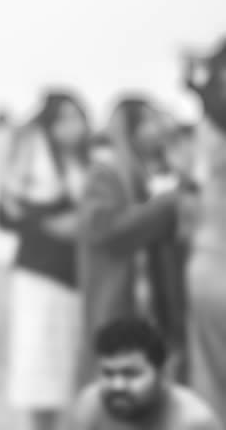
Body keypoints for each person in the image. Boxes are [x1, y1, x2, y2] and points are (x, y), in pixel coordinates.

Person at [0, 91, 91, 430]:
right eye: (64, 118)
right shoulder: (34, 160)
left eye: (77, 116)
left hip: (76, 279)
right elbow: (6, 215)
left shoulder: (85, 162)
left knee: (71, 374)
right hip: (39, 278)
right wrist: (50, 224)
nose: (73, 126)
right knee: (39, 374)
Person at [77, 96, 183, 384]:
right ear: (129, 129)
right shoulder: (106, 174)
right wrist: (164, 205)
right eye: (148, 121)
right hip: (116, 300)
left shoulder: (153, 172)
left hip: (150, 307)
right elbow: (105, 229)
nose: (156, 129)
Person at [68, 317, 222, 430]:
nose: (118, 385)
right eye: (108, 373)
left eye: (131, 374)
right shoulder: (89, 405)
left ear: (163, 374)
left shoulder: (193, 422)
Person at [184, 38, 226, 421]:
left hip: (210, 260)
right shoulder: (213, 127)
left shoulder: (207, 127)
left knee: (212, 377)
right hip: (214, 262)